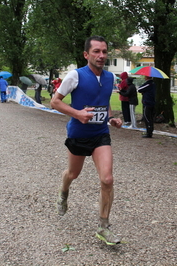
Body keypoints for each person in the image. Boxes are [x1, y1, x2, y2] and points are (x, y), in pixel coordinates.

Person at [51, 35, 123, 245]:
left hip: (100, 134)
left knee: (107, 179)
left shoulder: (110, 78)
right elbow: (55, 102)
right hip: (79, 134)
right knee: (73, 173)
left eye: (104, 51)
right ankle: (63, 193)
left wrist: (111, 118)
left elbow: (104, 103)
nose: (101, 56)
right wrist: (77, 114)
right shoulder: (75, 75)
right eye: (96, 51)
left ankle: (103, 226)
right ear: (86, 54)